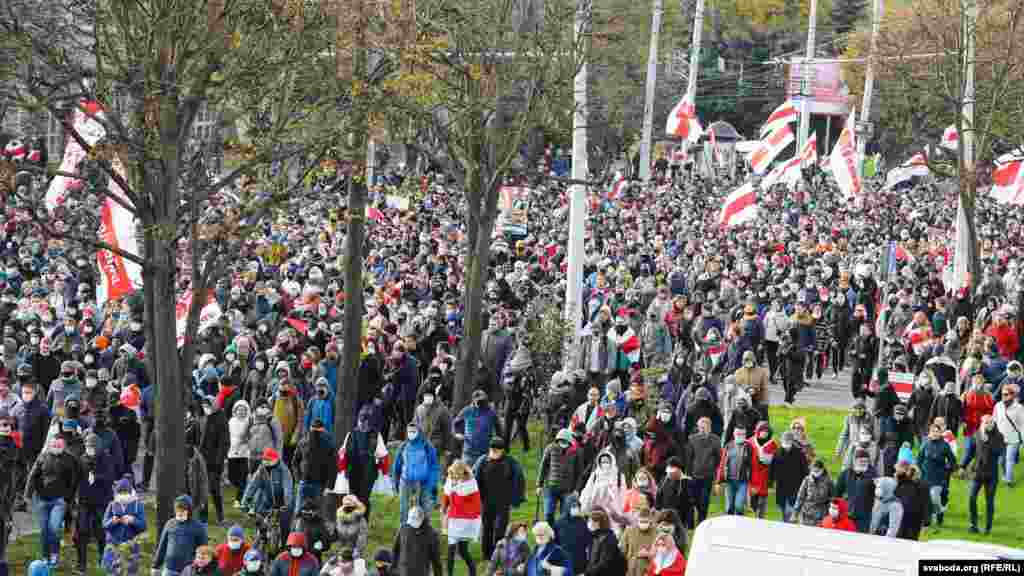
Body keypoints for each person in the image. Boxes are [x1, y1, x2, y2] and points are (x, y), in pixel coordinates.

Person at [24, 434, 81, 567]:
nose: (56, 447)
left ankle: (54, 554)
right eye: (54, 445)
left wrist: (69, 499)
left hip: (59, 501)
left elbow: (74, 481)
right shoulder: (43, 457)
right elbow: (33, 475)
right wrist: (27, 494)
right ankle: (45, 556)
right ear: (50, 445)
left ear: (63, 446)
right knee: (44, 530)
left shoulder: (70, 460)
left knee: (54, 528)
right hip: (42, 500)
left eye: (59, 445)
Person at [473, 437, 526, 560]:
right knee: (487, 527)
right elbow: (473, 476)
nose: (494, 452)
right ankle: (486, 554)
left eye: (497, 450)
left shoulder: (510, 462)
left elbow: (519, 480)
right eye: (492, 449)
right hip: (486, 500)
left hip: (503, 501)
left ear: (502, 450)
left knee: (500, 529)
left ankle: (498, 554)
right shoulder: (482, 460)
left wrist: (516, 498)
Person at [76, 432, 117, 575]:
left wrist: (97, 478)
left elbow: (110, 476)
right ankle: (81, 563)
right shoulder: (82, 459)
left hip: (101, 501)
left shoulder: (106, 459)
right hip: (85, 502)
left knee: (100, 531)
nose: (90, 450)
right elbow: (77, 477)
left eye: (92, 447)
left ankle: (103, 557)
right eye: (87, 447)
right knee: (82, 531)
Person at [241, 447, 294, 550]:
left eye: (269, 460)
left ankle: (284, 547)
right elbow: (253, 485)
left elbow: (287, 487)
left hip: (282, 502)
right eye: (265, 460)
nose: (266, 462)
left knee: (284, 525)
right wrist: (245, 501)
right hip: (267, 501)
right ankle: (260, 539)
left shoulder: (283, 470)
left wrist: (286, 503)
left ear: (276, 459)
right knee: (259, 520)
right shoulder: (261, 469)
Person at [392, 421, 440, 525]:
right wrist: (395, 482)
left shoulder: (427, 446)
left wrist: (431, 484)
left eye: (414, 431)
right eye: (409, 431)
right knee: (404, 509)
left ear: (419, 432)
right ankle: (404, 531)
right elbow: (397, 466)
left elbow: (434, 466)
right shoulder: (403, 446)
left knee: (425, 508)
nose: (411, 433)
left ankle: (425, 531)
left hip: (423, 482)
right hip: (405, 481)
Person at [152, 495, 209, 576]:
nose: (180, 513)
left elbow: (204, 549)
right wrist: (156, 566)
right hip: (169, 568)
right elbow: (162, 546)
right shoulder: (170, 524)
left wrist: (201, 567)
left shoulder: (198, 527)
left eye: (183, 511)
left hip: (189, 569)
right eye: (178, 511)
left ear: (189, 510)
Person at [537, 429, 584, 526]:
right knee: (548, 513)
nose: (562, 443)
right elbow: (543, 467)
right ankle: (550, 533)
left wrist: (577, 489)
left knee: (565, 516)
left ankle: (561, 535)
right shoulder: (550, 448)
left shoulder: (576, 452)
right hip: (550, 488)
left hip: (567, 490)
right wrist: (539, 485)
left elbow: (579, 473)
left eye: (565, 441)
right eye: (560, 441)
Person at [442, 460, 481, 576]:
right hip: (454, 518)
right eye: (453, 475)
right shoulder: (451, 479)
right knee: (452, 550)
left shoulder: (471, 483)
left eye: (456, 475)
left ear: (463, 473)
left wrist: (454, 487)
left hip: (466, 520)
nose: (454, 477)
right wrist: (444, 507)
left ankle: (473, 572)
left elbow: (461, 494)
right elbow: (447, 493)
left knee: (462, 550)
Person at [101, 478, 146, 576]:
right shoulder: (112, 505)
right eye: (120, 493)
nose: (123, 496)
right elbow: (104, 524)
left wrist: (133, 520)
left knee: (130, 572)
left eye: (125, 493)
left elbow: (143, 526)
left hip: (130, 546)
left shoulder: (138, 506)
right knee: (113, 571)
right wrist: (113, 521)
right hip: (114, 545)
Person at [452, 390, 503, 465]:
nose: (481, 403)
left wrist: (497, 443)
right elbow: (455, 423)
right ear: (473, 401)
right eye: (478, 401)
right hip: (468, 453)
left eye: (483, 401)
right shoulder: (467, 410)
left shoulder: (491, 413)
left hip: (485, 453)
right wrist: (457, 434)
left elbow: (499, 429)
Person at [579, 451, 627, 532]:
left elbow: (623, 494)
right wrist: (585, 506)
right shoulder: (595, 475)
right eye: (603, 462)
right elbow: (587, 491)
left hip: (613, 512)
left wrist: (621, 513)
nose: (605, 464)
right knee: (594, 532)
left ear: (612, 461)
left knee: (612, 535)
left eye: (607, 461)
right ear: (599, 463)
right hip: (596, 511)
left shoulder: (619, 476)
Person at [685, 416, 720, 525]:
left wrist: (716, 477)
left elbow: (718, 458)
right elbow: (689, 458)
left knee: (704, 501)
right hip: (694, 476)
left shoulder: (715, 440)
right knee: (693, 500)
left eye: (705, 427)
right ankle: (692, 522)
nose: (702, 430)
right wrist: (688, 474)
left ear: (709, 428)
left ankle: (702, 521)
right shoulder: (692, 439)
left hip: (708, 476)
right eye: (700, 427)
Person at [833, 447, 877, 533]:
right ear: (854, 461)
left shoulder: (873, 475)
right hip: (847, 514)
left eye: (865, 462)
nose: (863, 463)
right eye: (861, 461)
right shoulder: (846, 473)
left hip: (864, 517)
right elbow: (837, 493)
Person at [391, 506, 443, 576]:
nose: (411, 524)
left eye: (414, 521)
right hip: (404, 572)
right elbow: (395, 550)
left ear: (421, 519)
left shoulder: (431, 534)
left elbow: (436, 560)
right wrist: (393, 569)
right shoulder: (403, 529)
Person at [771, 430, 809, 523]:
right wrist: (771, 483)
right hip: (781, 487)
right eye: (785, 441)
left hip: (795, 486)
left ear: (792, 441)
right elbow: (772, 469)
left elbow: (804, 470)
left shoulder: (799, 453)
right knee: (784, 510)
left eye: (789, 441)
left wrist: (806, 484)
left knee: (790, 510)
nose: (787, 443)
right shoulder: (777, 453)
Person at [716, 425, 752, 516]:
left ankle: (739, 524)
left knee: (739, 506)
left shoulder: (749, 447)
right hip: (729, 481)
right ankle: (730, 526)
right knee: (729, 507)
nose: (740, 436)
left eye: (743, 434)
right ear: (734, 434)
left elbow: (753, 466)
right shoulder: (729, 446)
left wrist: (753, 483)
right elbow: (722, 463)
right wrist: (718, 481)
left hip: (743, 481)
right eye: (738, 433)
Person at [993, 383, 1024, 486]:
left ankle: (1008, 480)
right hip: (1001, 437)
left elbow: (1022, 423)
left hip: (1013, 437)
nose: (1003, 396)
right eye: (1002, 394)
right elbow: (995, 420)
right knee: (1001, 461)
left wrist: (1022, 437)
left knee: (1009, 459)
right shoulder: (998, 406)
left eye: (1006, 394)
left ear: (1012, 395)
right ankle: (1006, 475)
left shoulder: (1019, 407)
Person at [553, 495, 590, 576]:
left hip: (580, 561)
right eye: (573, 506)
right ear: (567, 507)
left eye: (577, 506)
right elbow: (555, 542)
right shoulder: (559, 523)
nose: (576, 508)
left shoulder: (582, 522)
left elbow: (588, 540)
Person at [582, 509, 625, 576]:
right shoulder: (594, 536)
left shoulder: (608, 539)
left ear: (598, 523)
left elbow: (604, 563)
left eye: (591, 521)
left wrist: (588, 573)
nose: (589, 524)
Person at [748, 421, 777, 519]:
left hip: (764, 479)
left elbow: (775, 463)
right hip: (751, 479)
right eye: (762, 430)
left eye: (766, 431)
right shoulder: (750, 442)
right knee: (751, 507)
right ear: (758, 431)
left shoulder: (773, 445)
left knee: (762, 506)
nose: (764, 433)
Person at [227, 400, 253, 506]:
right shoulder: (231, 422)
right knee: (232, 477)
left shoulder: (249, 422)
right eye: (239, 410)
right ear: (235, 411)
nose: (241, 412)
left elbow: (251, 436)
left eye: (243, 410)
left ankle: (239, 499)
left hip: (244, 454)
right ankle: (244, 490)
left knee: (243, 477)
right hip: (232, 453)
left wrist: (247, 440)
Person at [793, 459, 832, 526]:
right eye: (814, 470)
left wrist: (828, 515)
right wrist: (795, 513)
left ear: (822, 470)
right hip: (806, 515)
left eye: (817, 471)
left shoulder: (829, 482)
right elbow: (800, 497)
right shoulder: (807, 480)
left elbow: (832, 498)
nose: (815, 472)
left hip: (821, 516)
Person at [619, 507, 657, 576]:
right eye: (641, 521)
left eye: (646, 522)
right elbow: (622, 550)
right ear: (637, 520)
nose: (643, 524)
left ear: (650, 520)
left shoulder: (656, 532)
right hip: (631, 569)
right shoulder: (629, 531)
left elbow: (661, 553)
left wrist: (648, 554)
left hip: (649, 570)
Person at [334, 495, 369, 561]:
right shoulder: (339, 518)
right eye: (346, 506)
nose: (348, 508)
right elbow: (337, 535)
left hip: (355, 552)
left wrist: (357, 550)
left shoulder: (361, 520)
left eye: (350, 506)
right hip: (341, 551)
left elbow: (362, 537)